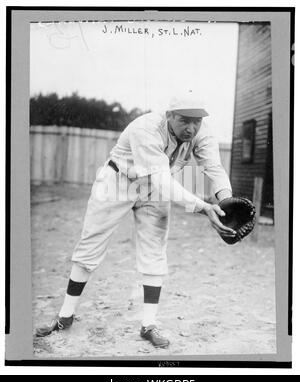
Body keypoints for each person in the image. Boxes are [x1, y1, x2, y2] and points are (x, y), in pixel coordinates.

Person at [36, 91, 235, 348]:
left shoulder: (202, 131)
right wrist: (204, 207)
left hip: (154, 188)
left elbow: (214, 167)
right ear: (169, 116)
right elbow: (163, 180)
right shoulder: (146, 128)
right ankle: (65, 316)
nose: (192, 127)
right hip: (118, 182)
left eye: (197, 121)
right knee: (90, 246)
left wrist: (227, 202)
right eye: (185, 120)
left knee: (155, 251)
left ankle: (148, 324)